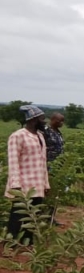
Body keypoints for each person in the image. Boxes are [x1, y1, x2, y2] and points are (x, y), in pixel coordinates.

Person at [4, 105, 50, 245]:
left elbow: (43, 163)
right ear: (34, 120)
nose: (44, 121)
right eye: (42, 119)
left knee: (33, 216)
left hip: (37, 185)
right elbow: (13, 163)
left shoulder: (40, 136)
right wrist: (15, 185)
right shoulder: (18, 136)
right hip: (23, 185)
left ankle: (27, 243)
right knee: (18, 216)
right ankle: (10, 245)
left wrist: (45, 184)